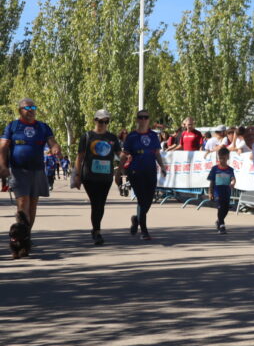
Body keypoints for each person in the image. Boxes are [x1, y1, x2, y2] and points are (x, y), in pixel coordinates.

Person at [0, 99, 62, 236]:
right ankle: (21, 236)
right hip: (18, 170)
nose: (31, 110)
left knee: (33, 205)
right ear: (19, 110)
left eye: (33, 107)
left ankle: (26, 234)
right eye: (27, 107)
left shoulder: (43, 127)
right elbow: (3, 147)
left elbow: (52, 142)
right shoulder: (12, 126)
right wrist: (3, 166)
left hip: (38, 170)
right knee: (23, 203)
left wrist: (56, 147)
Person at [73, 109, 122, 245]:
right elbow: (80, 157)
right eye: (101, 121)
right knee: (96, 203)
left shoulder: (112, 138)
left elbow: (119, 154)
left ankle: (96, 229)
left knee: (101, 204)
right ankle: (97, 231)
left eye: (106, 121)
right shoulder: (87, 136)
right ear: (95, 120)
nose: (103, 124)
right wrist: (77, 175)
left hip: (106, 177)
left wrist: (125, 159)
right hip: (89, 176)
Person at [120, 110, 168, 241]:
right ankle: (144, 230)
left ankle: (136, 219)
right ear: (137, 119)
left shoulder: (153, 136)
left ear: (149, 119)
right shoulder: (132, 136)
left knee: (148, 200)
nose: (143, 120)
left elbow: (157, 153)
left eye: (145, 117)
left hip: (150, 171)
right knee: (141, 200)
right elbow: (124, 155)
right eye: (140, 117)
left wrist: (162, 167)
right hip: (135, 171)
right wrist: (119, 171)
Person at [207, 147, 235, 234]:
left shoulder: (230, 169)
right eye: (220, 158)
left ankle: (219, 221)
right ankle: (222, 225)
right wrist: (210, 192)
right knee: (220, 207)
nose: (222, 160)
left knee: (226, 208)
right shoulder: (215, 169)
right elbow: (212, 181)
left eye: (224, 158)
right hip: (217, 192)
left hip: (226, 191)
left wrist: (233, 182)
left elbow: (233, 178)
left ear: (228, 157)